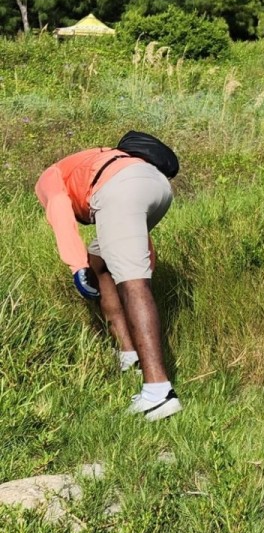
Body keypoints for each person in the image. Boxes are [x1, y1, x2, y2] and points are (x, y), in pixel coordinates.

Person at [36, 140, 181, 421]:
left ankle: (158, 392)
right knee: (99, 261)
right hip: (158, 186)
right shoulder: (95, 160)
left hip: (119, 189)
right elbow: (130, 226)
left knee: (132, 283)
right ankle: (129, 355)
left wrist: (77, 266)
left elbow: (59, 207)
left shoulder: (49, 176)